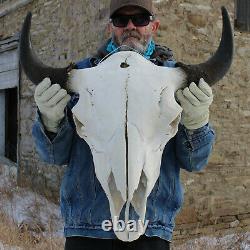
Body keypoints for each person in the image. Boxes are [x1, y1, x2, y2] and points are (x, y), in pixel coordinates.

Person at [32, 0, 215, 249]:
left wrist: (196, 122)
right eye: (121, 20)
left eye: (140, 19)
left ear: (154, 25)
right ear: (111, 28)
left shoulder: (178, 83)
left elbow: (195, 162)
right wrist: (50, 121)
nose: (131, 26)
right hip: (87, 231)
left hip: (152, 231)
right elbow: (54, 156)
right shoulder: (80, 76)